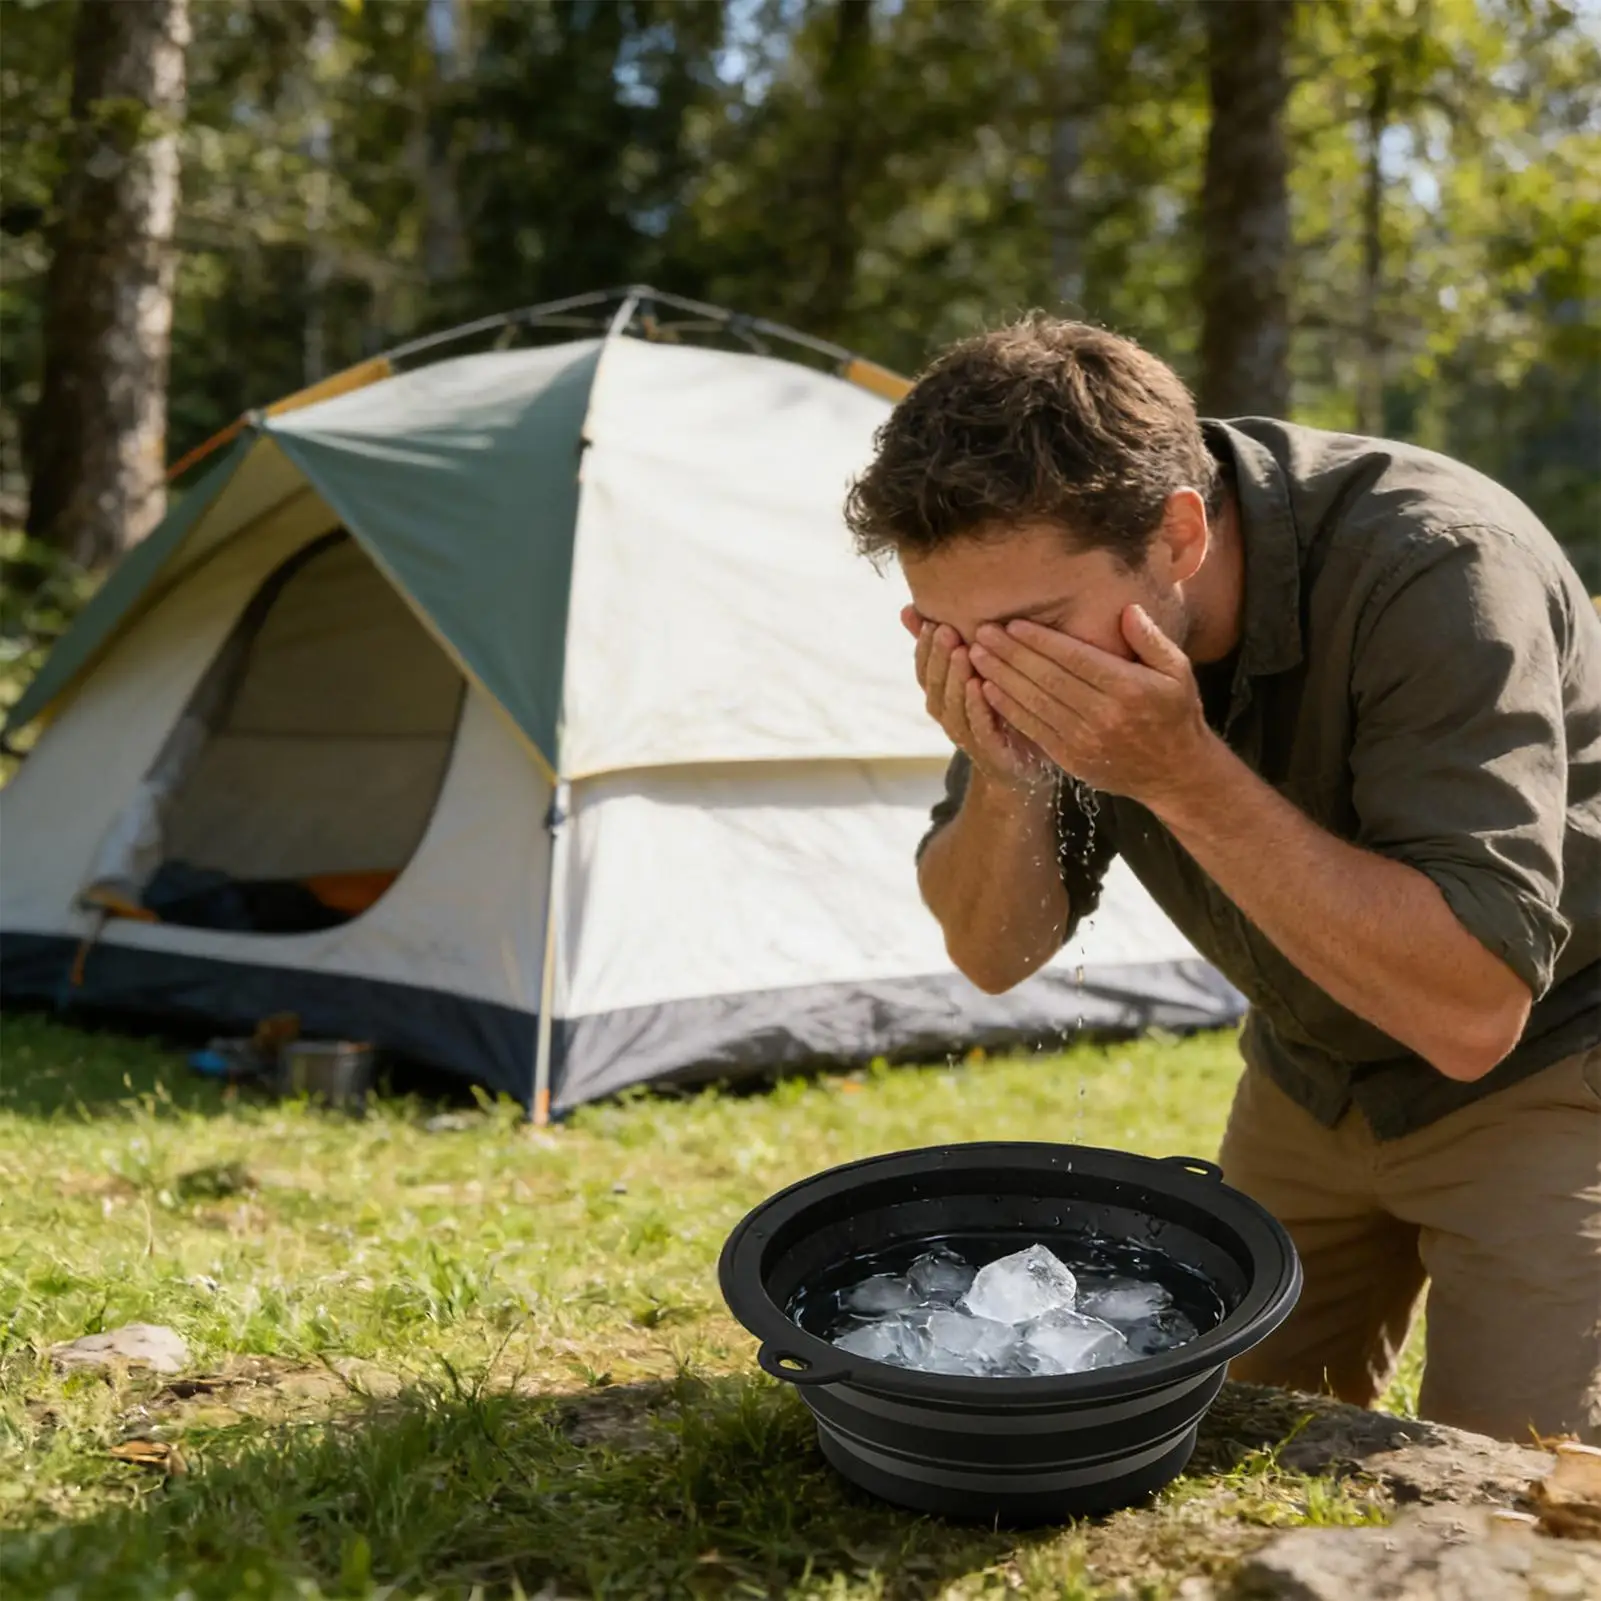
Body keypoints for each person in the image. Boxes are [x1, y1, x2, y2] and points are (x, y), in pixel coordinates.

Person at [844, 314, 1601, 1444]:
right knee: (1196, 1438)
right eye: (945, 632)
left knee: (1514, 1497)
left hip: (1550, 1068)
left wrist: (1181, 773)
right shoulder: (1017, 619)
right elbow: (991, 954)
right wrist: (1007, 780)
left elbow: (1472, 1009)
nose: (997, 664)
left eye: (1033, 628)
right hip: (1304, 1073)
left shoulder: (1438, 562)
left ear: (1179, 534)